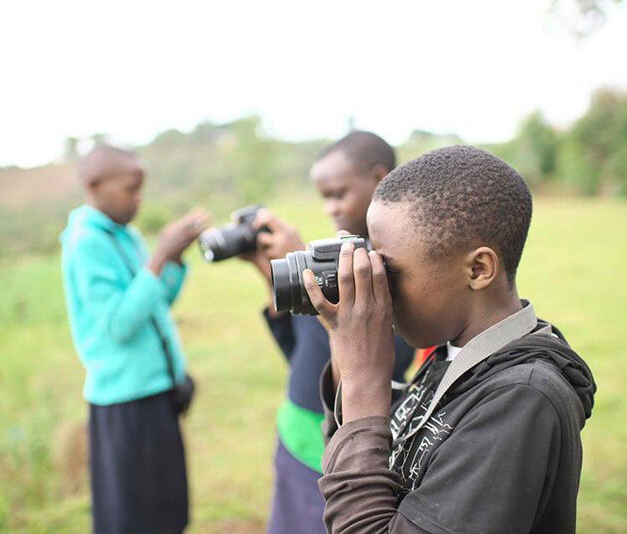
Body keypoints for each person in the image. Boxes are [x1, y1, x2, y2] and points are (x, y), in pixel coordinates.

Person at [304, 145, 597, 533]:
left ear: (478, 269)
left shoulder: (522, 399)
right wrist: (347, 347)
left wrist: (363, 380)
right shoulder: (456, 356)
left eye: (389, 271)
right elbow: (365, 462)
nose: (380, 289)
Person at [240, 131, 416, 533]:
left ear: (379, 178)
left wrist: (306, 271)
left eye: (339, 194)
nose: (331, 207)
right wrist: (277, 279)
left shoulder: (391, 264)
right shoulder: (342, 256)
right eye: (324, 197)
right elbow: (302, 354)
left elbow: (378, 355)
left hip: (349, 444)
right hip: (296, 430)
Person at [60, 144, 210, 533]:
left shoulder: (124, 235)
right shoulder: (86, 242)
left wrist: (174, 258)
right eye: (131, 189)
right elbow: (119, 324)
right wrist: (158, 257)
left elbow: (156, 301)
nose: (139, 199)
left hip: (156, 391)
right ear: (94, 185)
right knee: (133, 515)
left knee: (167, 505)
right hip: (127, 402)